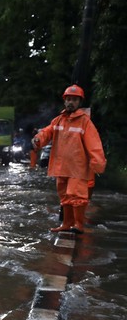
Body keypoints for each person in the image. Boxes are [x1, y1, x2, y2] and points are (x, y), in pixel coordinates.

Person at [32, 84, 106, 233]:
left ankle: (78, 225)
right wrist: (38, 139)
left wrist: (98, 163)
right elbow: (47, 132)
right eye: (69, 99)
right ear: (65, 101)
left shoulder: (85, 122)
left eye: (74, 100)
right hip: (61, 167)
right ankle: (67, 224)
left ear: (79, 103)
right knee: (65, 197)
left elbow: (94, 143)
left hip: (78, 168)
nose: (71, 102)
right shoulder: (58, 120)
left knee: (77, 196)